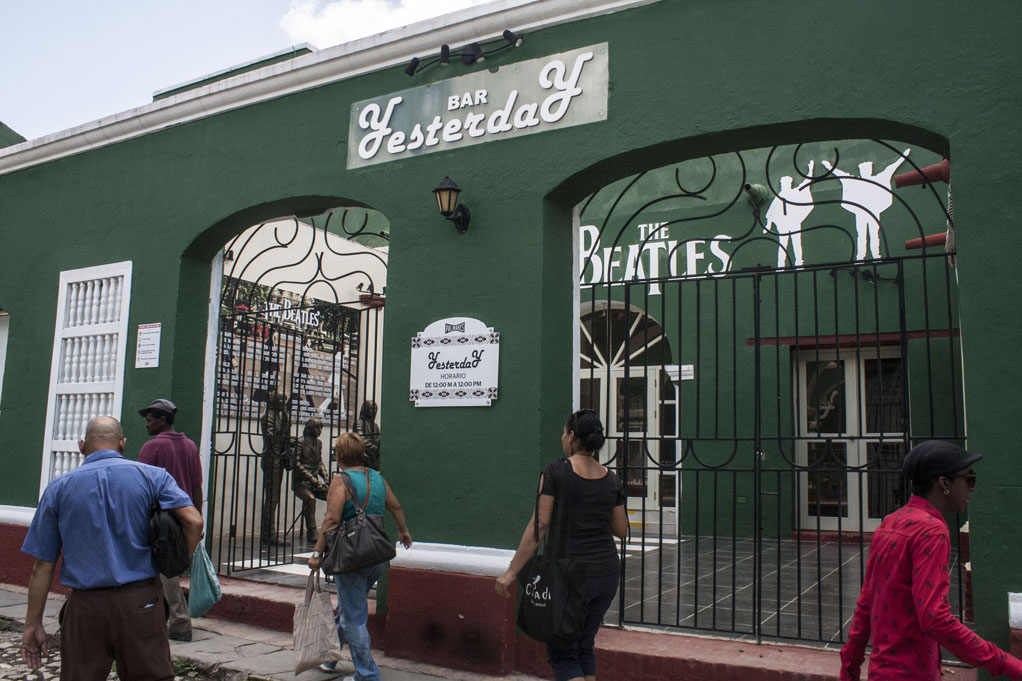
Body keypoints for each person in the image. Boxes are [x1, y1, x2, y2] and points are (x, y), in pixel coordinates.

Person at [20, 416, 204, 680]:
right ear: (122, 443)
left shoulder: (58, 489)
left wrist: (33, 624)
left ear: (82, 446)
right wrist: (175, 563)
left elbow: (41, 565)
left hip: (86, 607)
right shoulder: (153, 477)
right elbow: (194, 521)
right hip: (141, 601)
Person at [840, 440, 1022, 681]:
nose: (972, 489)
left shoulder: (891, 523)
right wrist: (1008, 664)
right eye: (969, 479)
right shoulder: (931, 531)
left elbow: (866, 604)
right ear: (944, 483)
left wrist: (849, 669)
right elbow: (935, 618)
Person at [495, 409, 628, 681]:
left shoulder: (556, 472)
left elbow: (540, 525)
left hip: (570, 578)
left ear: (572, 436)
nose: (562, 437)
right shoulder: (611, 478)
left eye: (564, 432)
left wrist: (512, 572)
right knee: (584, 646)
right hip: (606, 573)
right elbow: (621, 529)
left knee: (563, 654)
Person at [308, 432, 412, 681]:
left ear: (339, 455)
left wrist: (317, 553)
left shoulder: (340, 481)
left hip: (351, 558)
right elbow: (395, 505)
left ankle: (367, 674)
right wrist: (403, 531)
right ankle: (329, 658)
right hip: (375, 557)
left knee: (352, 619)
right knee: (348, 606)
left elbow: (331, 521)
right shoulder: (376, 477)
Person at [137, 398, 203, 643]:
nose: (147, 425)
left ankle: (180, 622)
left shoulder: (152, 447)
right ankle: (161, 618)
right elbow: (197, 485)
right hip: (185, 515)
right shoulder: (190, 446)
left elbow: (140, 486)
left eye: (150, 420)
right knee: (170, 567)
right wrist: (197, 516)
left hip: (160, 518)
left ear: (162, 420)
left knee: (166, 572)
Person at [260, 390, 291, 545]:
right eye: (281, 401)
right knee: (271, 498)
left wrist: (286, 420)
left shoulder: (279, 417)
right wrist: (284, 430)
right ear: (273, 402)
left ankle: (269, 531)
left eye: (285, 401)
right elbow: (271, 439)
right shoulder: (268, 417)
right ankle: (268, 533)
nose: (283, 404)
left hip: (279, 459)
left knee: (274, 498)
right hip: (271, 459)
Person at [293, 417, 329, 544]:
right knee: (310, 499)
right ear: (310, 428)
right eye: (316, 428)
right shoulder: (300, 442)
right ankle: (312, 531)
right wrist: (314, 480)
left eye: (320, 428)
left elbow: (319, 463)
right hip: (301, 483)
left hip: (315, 483)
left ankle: (333, 527)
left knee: (334, 495)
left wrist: (325, 477)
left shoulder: (319, 443)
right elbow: (296, 464)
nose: (319, 430)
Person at [357, 400, 381, 470]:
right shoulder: (359, 423)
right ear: (365, 409)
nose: (374, 411)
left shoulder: (375, 425)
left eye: (375, 409)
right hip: (364, 457)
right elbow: (361, 440)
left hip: (375, 457)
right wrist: (375, 449)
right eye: (371, 408)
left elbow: (378, 439)